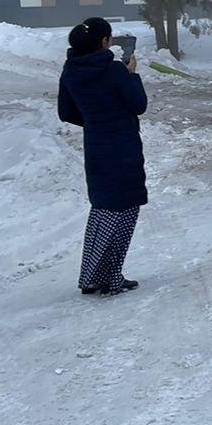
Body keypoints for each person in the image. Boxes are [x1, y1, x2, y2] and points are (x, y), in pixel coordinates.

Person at [57, 17, 148, 297]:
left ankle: (92, 275)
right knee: (125, 209)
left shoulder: (70, 71)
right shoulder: (114, 71)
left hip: (96, 147)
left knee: (103, 208)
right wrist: (132, 74)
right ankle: (110, 277)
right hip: (122, 146)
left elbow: (66, 112)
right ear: (104, 42)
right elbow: (138, 104)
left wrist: (96, 120)